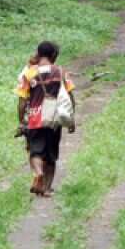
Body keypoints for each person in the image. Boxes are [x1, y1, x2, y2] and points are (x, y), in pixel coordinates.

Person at [15, 41, 76, 197]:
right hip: (54, 120)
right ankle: (47, 189)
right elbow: (69, 96)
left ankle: (38, 173)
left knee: (35, 152)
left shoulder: (28, 73)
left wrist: (21, 120)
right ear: (53, 55)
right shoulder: (60, 72)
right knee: (50, 156)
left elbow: (22, 100)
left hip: (35, 118)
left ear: (39, 53)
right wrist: (71, 118)